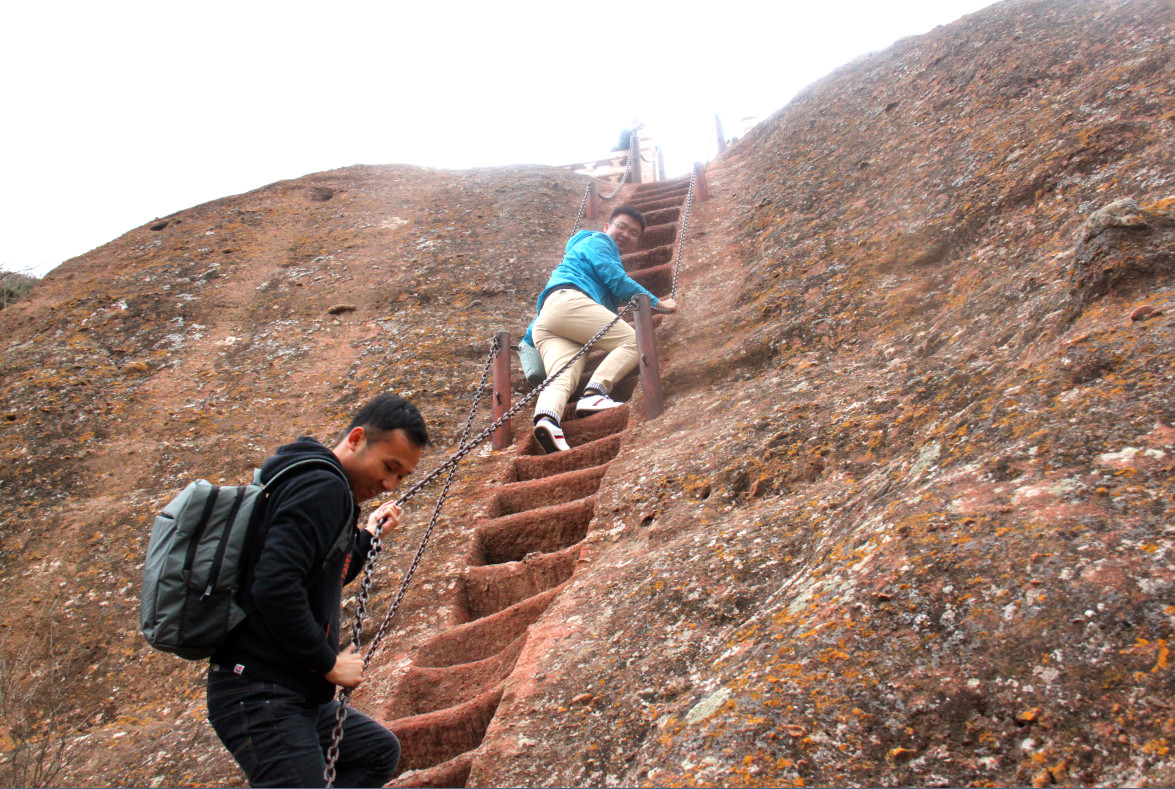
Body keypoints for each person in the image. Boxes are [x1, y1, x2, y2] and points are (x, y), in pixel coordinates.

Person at [206, 393, 429, 787]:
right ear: (357, 439)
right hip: (261, 691)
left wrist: (366, 537)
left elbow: (316, 572)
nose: (388, 483)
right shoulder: (323, 487)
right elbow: (274, 587)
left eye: (400, 477)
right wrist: (327, 663)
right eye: (389, 467)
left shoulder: (315, 481)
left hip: (290, 689)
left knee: (377, 752)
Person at [530, 206, 677, 453]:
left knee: (564, 374)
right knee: (634, 340)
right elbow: (616, 279)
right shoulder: (597, 241)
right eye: (621, 226)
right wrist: (658, 303)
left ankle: (547, 421)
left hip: (547, 322)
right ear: (607, 227)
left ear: (636, 242)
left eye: (633, 233)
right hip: (568, 303)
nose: (625, 234)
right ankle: (594, 393)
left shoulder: (581, 254)